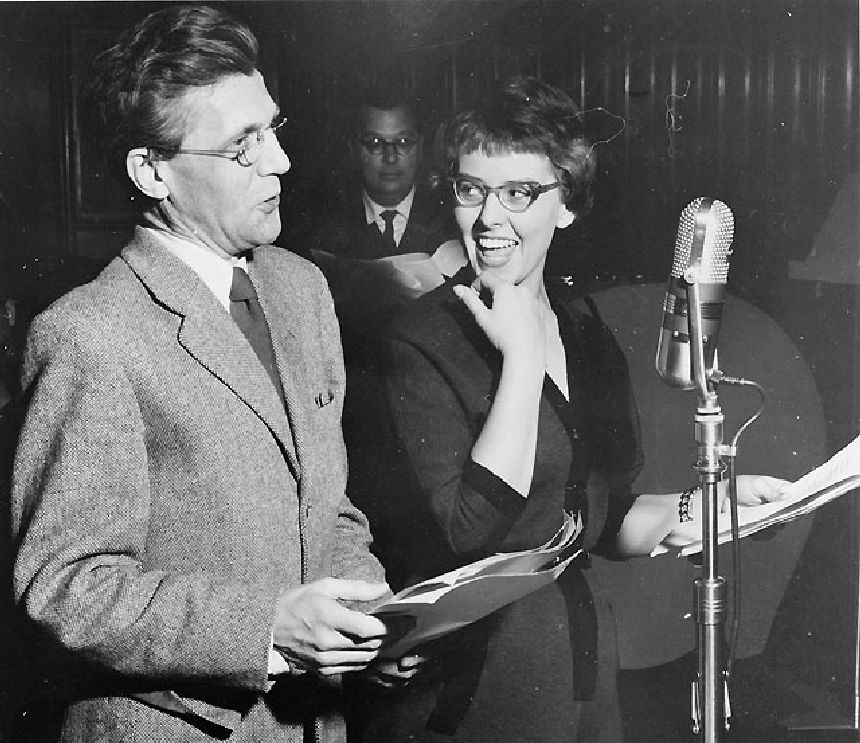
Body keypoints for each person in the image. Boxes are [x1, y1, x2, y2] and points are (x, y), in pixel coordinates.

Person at [8, 7, 417, 743]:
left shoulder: (301, 289)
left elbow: (326, 505)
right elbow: (65, 587)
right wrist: (265, 630)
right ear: (151, 170)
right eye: (241, 145)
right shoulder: (88, 333)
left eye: (273, 130)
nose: (280, 161)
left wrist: (369, 617)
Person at [353, 76, 789, 742]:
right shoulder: (419, 340)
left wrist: (710, 505)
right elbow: (472, 531)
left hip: (580, 667)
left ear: (566, 205)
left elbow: (604, 518)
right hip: (470, 692)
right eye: (471, 189)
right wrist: (523, 360)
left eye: (518, 193)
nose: (488, 217)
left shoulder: (584, 331)